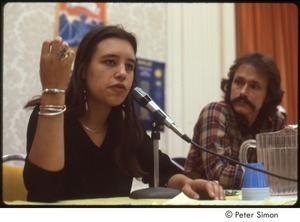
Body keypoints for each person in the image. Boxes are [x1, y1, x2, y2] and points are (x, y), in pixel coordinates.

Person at [23, 25, 225, 202]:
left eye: (129, 66)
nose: (122, 73)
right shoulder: (51, 114)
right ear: (83, 71)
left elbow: (163, 170)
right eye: (110, 62)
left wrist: (188, 184)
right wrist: (53, 91)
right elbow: (43, 192)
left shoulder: (124, 128)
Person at [184, 52, 286, 189]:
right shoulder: (215, 112)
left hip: (254, 201)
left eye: (254, 86)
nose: (243, 92)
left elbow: (284, 171)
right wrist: (270, 176)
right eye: (238, 82)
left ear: (268, 95)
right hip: (203, 202)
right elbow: (219, 175)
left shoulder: (275, 122)